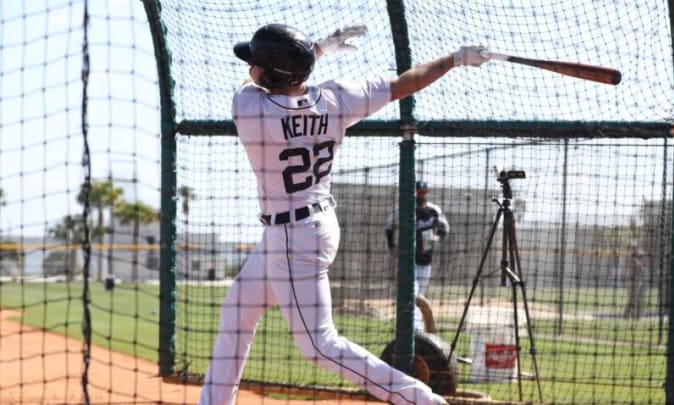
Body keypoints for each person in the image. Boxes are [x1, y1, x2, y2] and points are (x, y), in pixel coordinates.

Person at [198, 23, 490, 405]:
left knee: (320, 345)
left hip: (292, 237)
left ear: (270, 74)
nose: (251, 67)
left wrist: (316, 49)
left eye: (257, 63)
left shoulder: (249, 108)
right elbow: (407, 82)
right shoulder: (335, 99)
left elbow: (258, 82)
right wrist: (455, 59)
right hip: (312, 225)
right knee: (237, 312)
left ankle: (424, 400)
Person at [384, 181, 449, 331]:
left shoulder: (434, 211)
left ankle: (416, 328)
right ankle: (414, 329)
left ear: (427, 192)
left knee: (421, 295)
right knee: (412, 292)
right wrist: (392, 246)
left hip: (426, 260)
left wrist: (437, 238)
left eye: (422, 192)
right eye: (418, 192)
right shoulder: (404, 210)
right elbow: (388, 226)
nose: (420, 195)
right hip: (407, 260)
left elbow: (445, 228)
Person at [622, 242, 646, 319]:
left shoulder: (640, 256)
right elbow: (626, 269)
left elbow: (641, 266)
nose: (632, 249)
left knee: (639, 299)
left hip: (639, 279)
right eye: (631, 248)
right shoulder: (628, 257)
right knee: (632, 298)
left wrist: (634, 259)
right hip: (630, 280)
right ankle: (626, 316)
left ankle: (637, 316)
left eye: (634, 248)